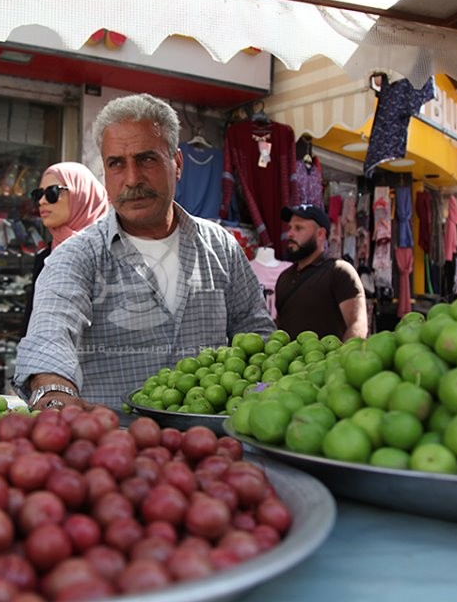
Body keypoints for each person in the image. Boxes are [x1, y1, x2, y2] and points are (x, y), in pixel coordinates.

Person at [14, 93, 275, 410]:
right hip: (115, 448)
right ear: (105, 173)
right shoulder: (76, 257)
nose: (132, 179)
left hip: (214, 445)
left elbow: (257, 332)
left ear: (177, 163)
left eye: (147, 159)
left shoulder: (221, 248)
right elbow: (49, 335)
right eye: (117, 164)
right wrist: (55, 396)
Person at [20, 162, 110, 336]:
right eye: (38, 194)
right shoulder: (46, 256)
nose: (42, 201)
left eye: (52, 193)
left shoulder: (108, 253)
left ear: (82, 195)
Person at [275, 203, 368, 342]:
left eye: (298, 228)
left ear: (320, 234)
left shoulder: (339, 271)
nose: (290, 233)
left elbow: (357, 325)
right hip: (288, 362)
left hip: (328, 361)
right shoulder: (284, 277)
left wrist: (342, 359)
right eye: (290, 227)